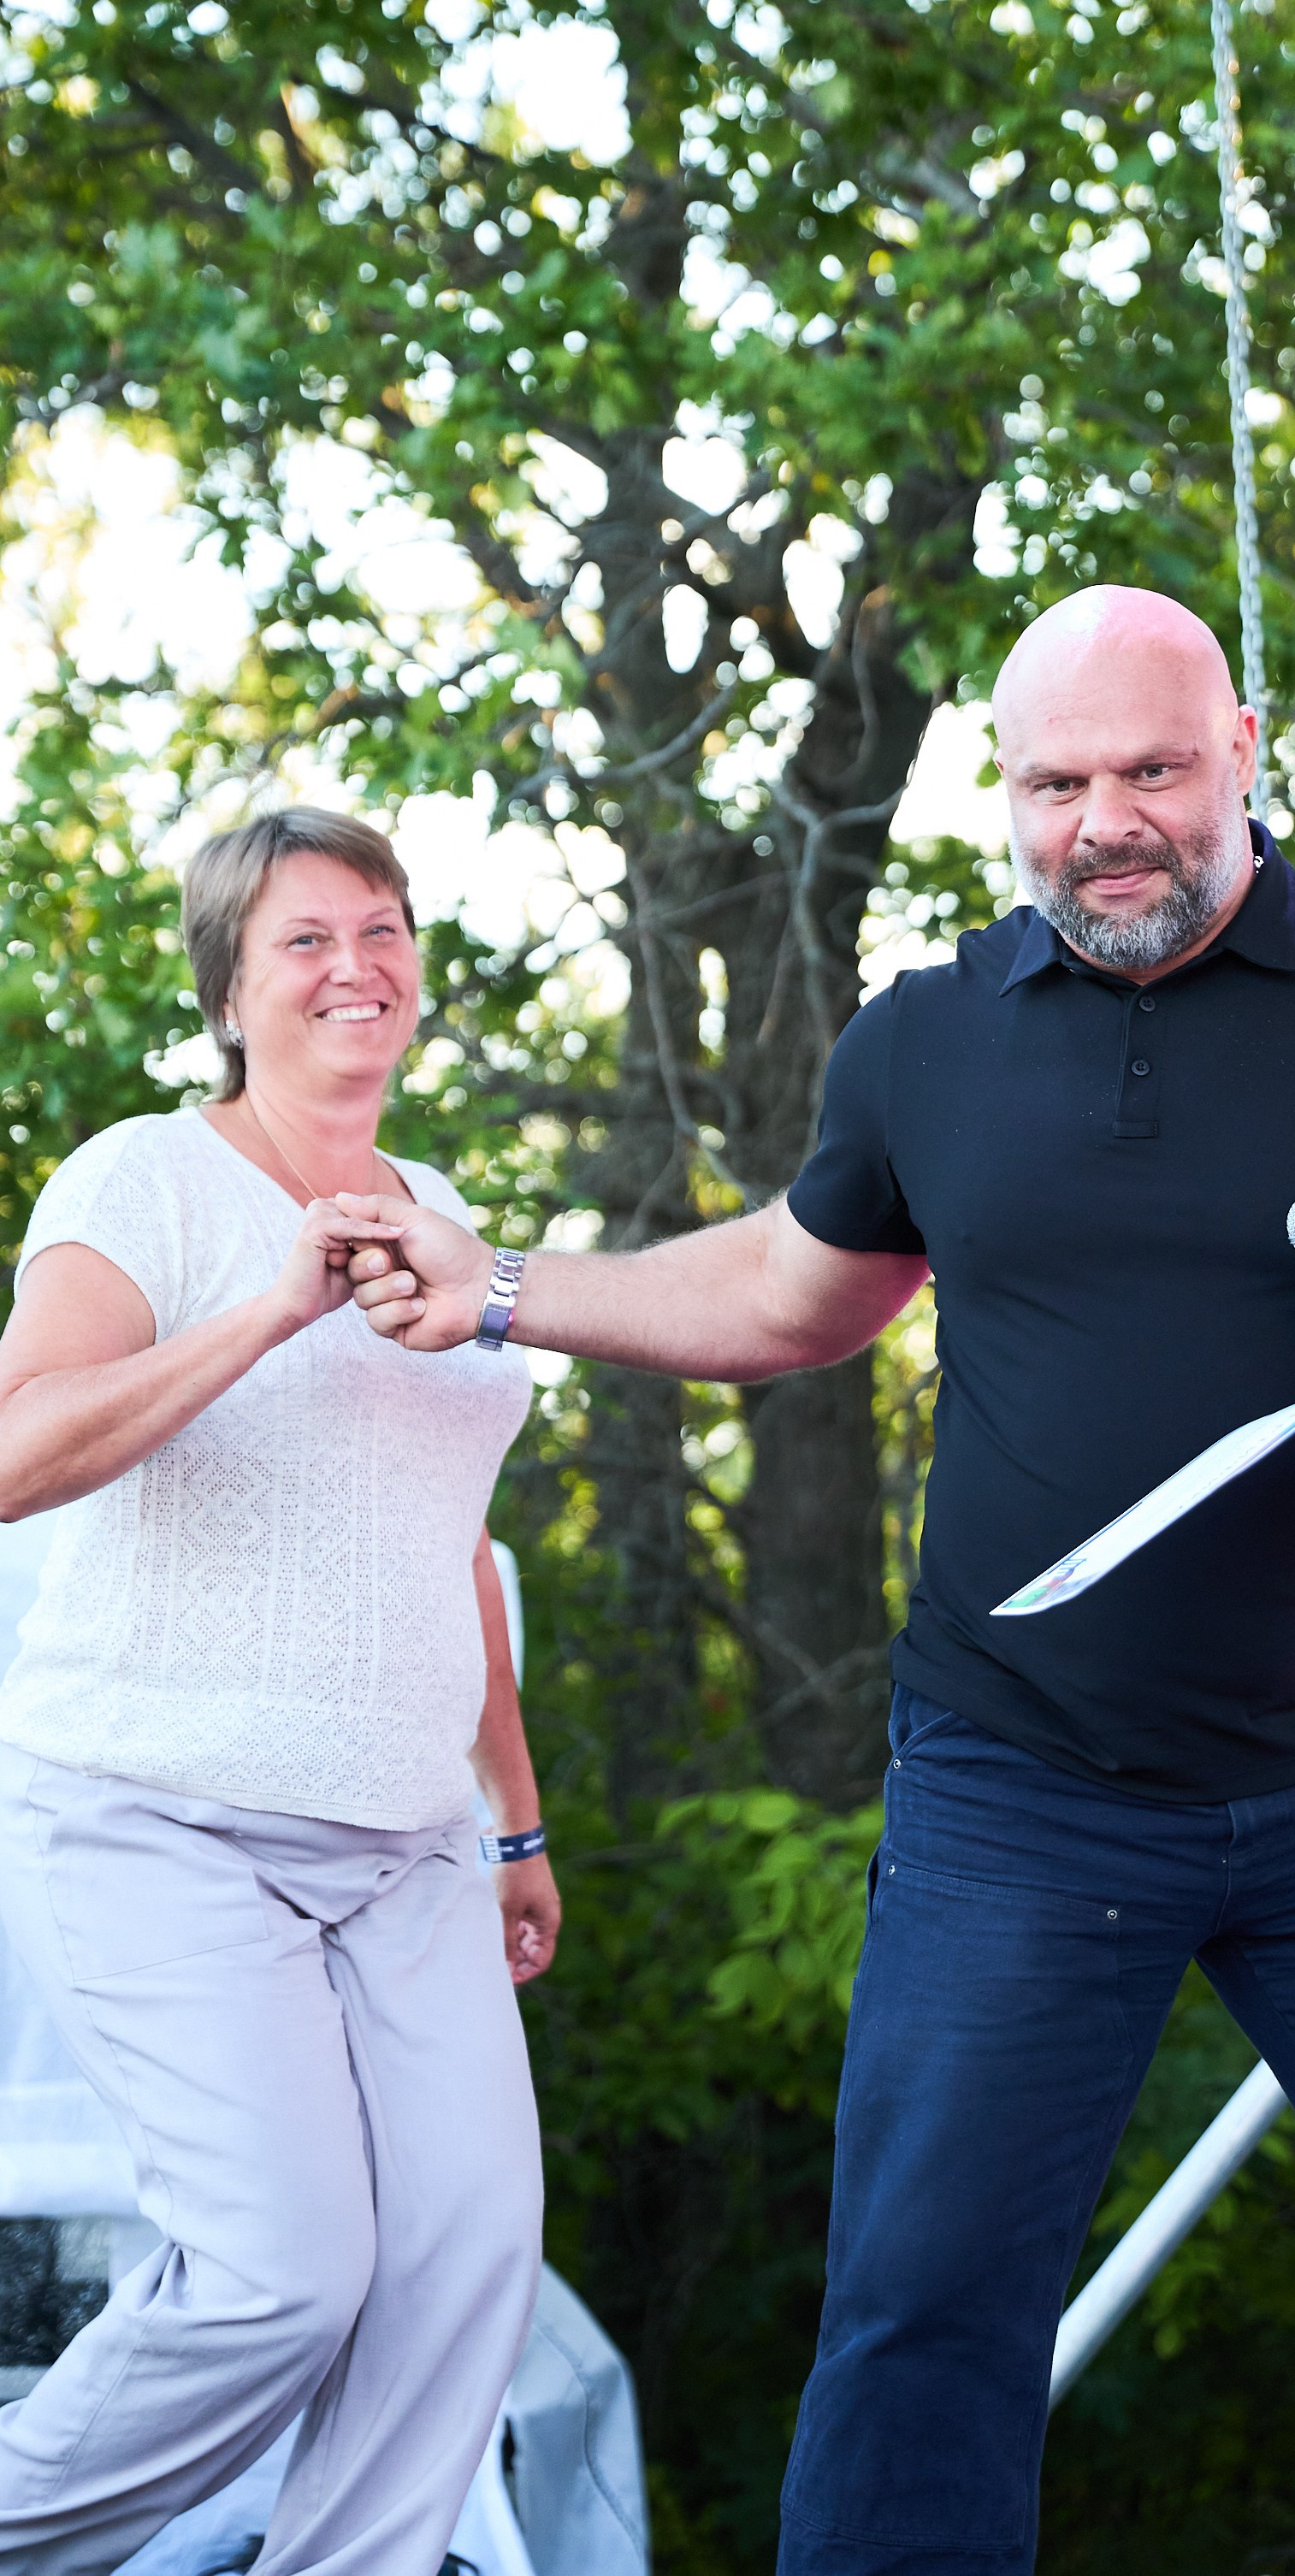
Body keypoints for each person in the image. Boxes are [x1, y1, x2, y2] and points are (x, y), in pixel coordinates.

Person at [340, 588, 1295, 2576]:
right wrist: (491, 1286)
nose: (1105, 822)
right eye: (1055, 783)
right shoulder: (928, 1037)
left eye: (1151, 770)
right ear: (1005, 795)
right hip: (1023, 1782)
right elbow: (786, 1291)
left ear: (1242, 747)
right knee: (921, 2309)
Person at [0, 808, 556, 2576]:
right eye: (306, 936)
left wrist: (518, 1820)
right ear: (232, 986)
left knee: (467, 2258)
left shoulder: (453, 1218)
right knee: (283, 2270)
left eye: (383, 928)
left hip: (411, 1841)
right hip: (160, 1814)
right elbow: (15, 1452)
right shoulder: (136, 1179)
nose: (357, 962)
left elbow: (445, 1541)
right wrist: (272, 1302)